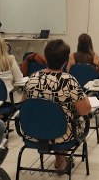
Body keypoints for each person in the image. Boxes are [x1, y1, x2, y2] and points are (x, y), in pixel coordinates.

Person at [23, 39, 91, 172]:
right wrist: (85, 97)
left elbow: (25, 103)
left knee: (51, 117)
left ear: (46, 57)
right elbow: (84, 110)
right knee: (72, 118)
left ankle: (60, 159)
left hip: (33, 131)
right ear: (66, 60)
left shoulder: (33, 78)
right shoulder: (69, 81)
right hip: (62, 134)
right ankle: (61, 158)